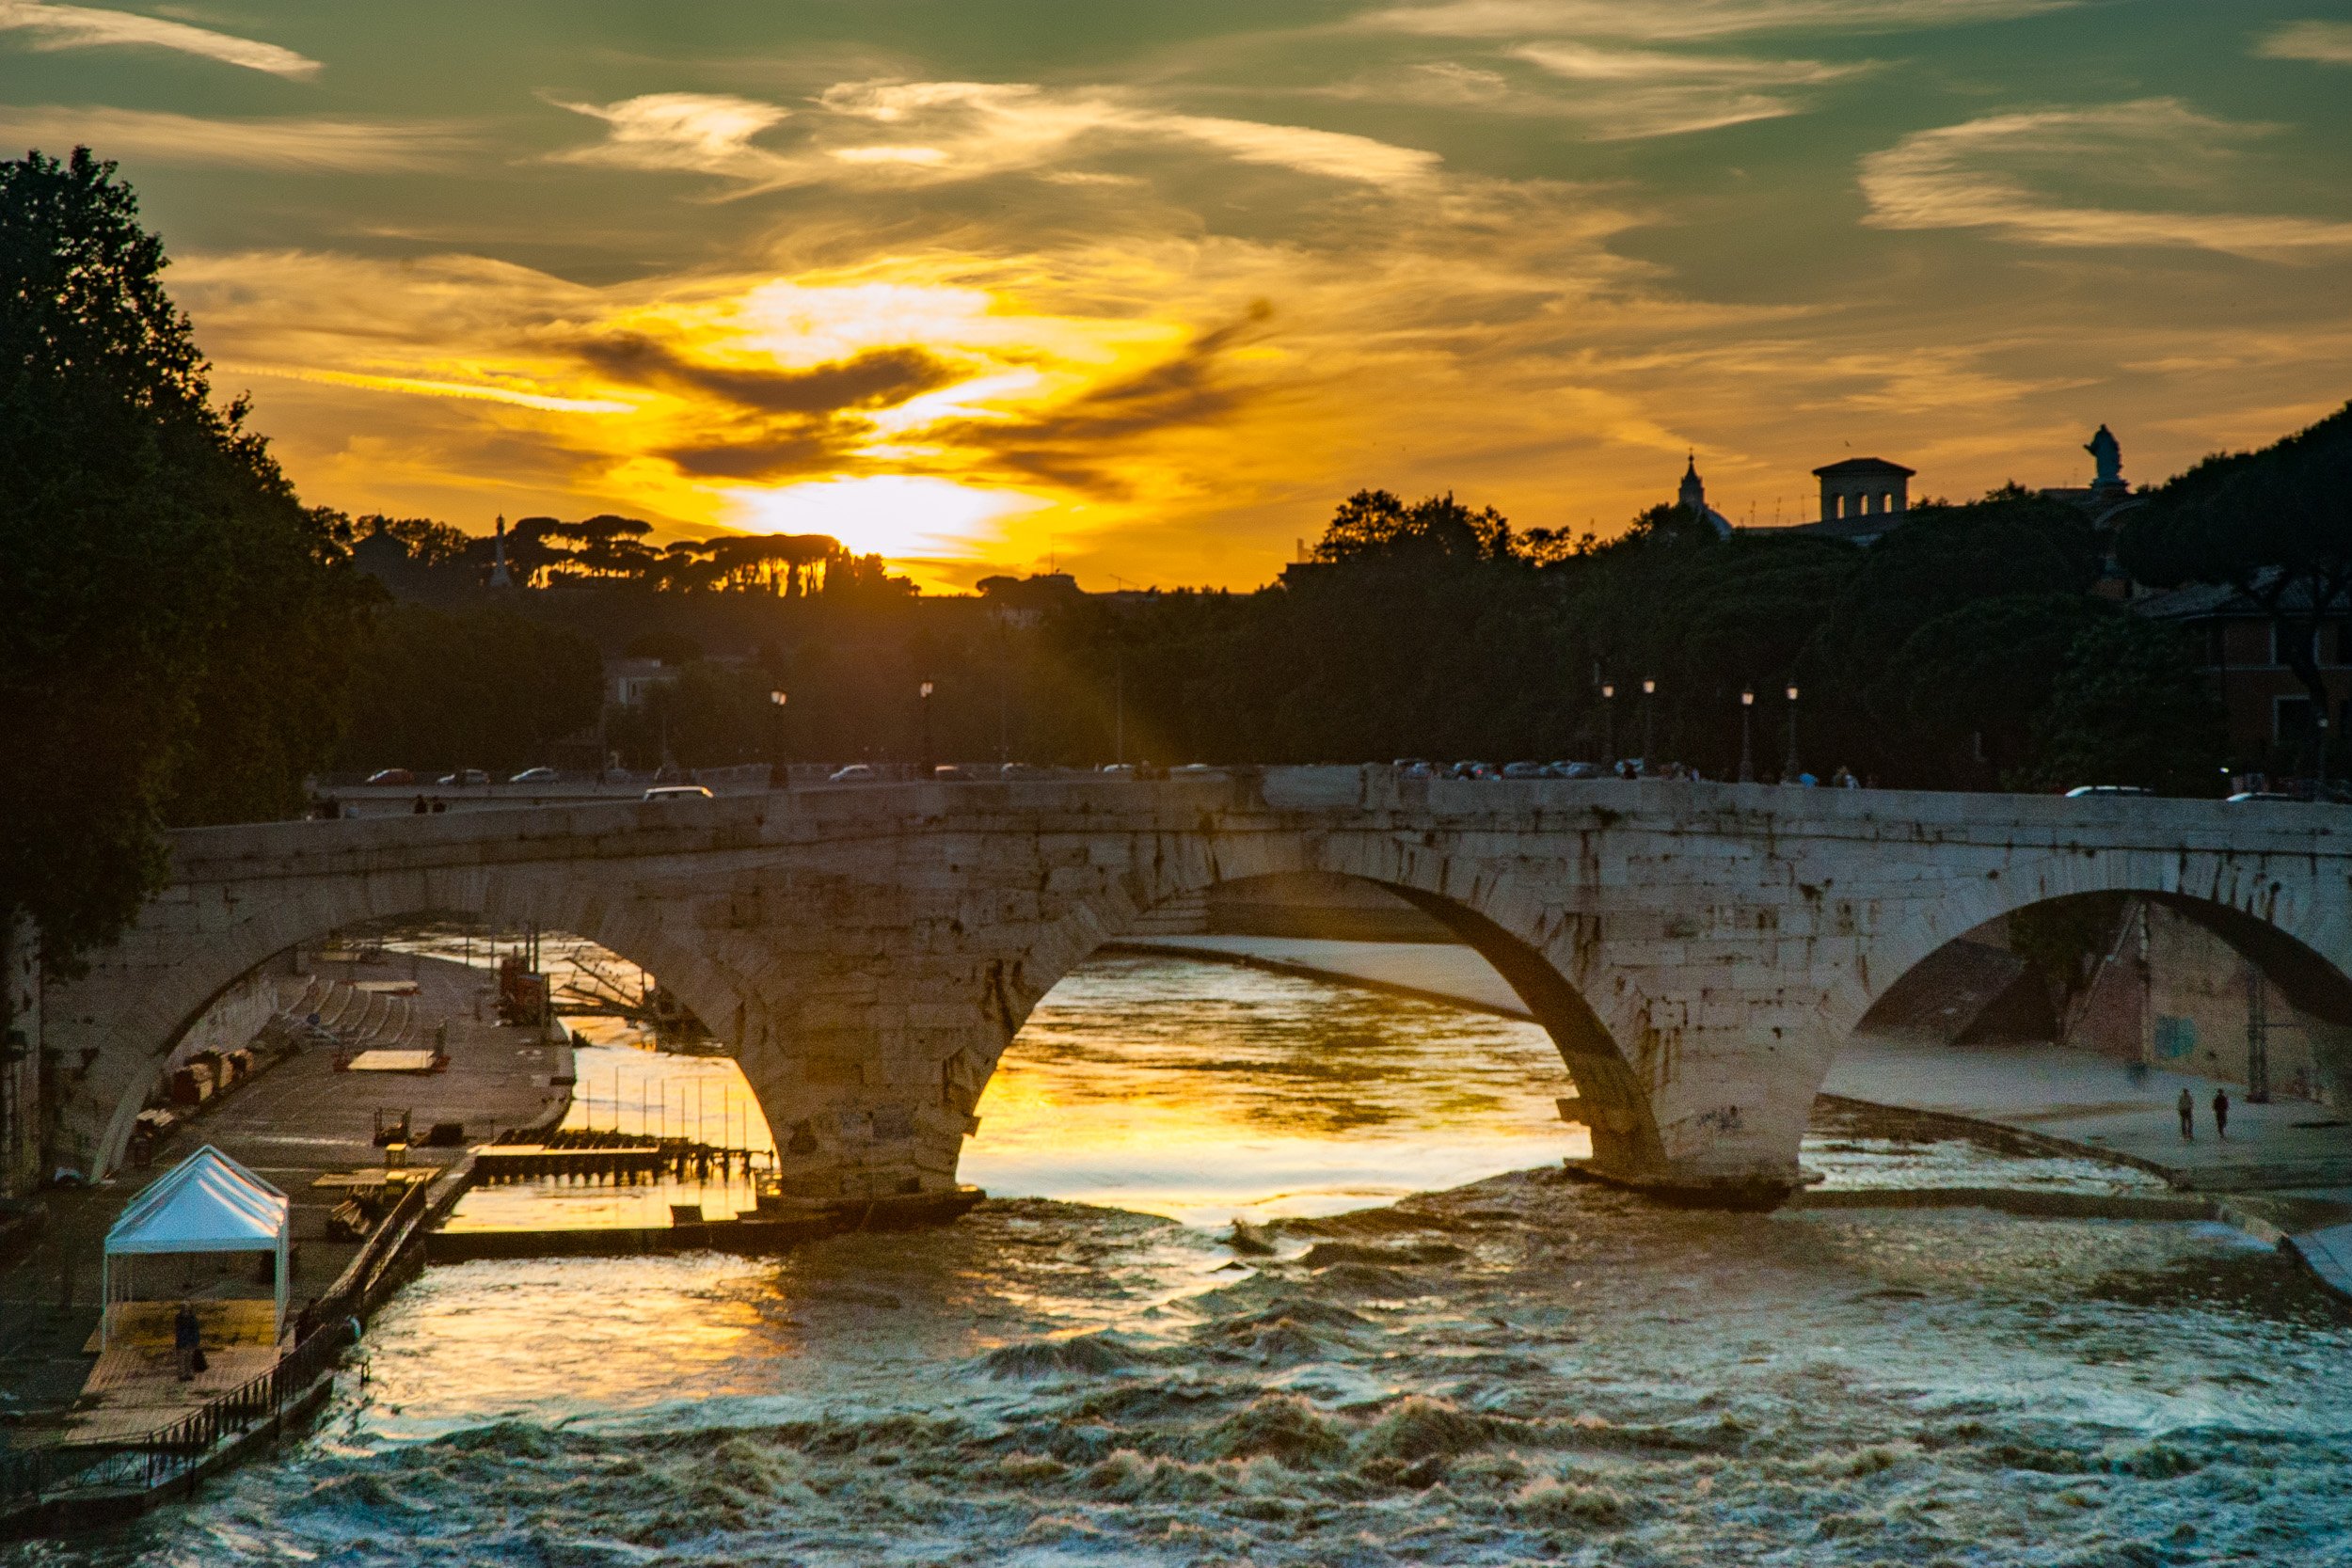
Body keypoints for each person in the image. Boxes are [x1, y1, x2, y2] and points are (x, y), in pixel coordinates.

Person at [173, 1300, 200, 1381]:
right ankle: (182, 1375)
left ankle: (189, 1374)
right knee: (181, 1359)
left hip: (189, 1341)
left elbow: (195, 1330)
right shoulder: (179, 1318)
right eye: (182, 1307)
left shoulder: (191, 1318)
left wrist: (195, 1341)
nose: (184, 1309)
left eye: (185, 1307)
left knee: (189, 1358)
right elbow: (178, 1330)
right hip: (182, 1341)